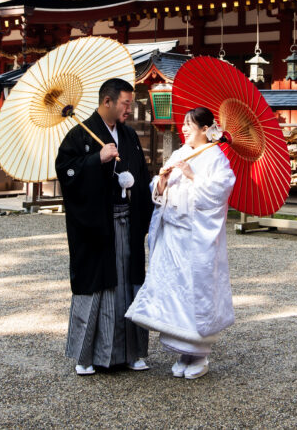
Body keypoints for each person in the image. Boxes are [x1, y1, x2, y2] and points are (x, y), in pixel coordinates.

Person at [125, 106, 236, 380]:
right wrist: (161, 183)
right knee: (175, 290)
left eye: (190, 125)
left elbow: (219, 192)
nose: (184, 128)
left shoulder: (215, 157)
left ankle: (199, 355)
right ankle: (183, 353)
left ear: (205, 129)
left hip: (196, 237)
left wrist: (192, 176)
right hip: (173, 235)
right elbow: (160, 193)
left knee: (195, 289)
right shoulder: (179, 153)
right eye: (184, 124)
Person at [55, 77, 152, 376]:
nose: (129, 110)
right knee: (98, 285)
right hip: (97, 225)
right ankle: (86, 357)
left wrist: (137, 186)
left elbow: (140, 171)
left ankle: (133, 352)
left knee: (130, 283)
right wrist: (96, 158)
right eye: (125, 104)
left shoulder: (129, 135)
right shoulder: (79, 136)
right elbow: (66, 171)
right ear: (107, 101)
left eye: (131, 104)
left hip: (128, 220)